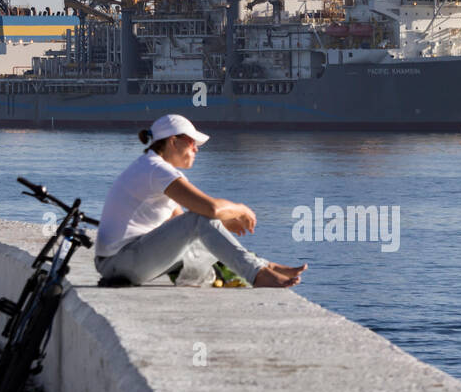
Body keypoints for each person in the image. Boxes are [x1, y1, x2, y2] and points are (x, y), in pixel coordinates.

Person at [94, 114, 306, 289]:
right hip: (120, 262)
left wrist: (220, 223)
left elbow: (185, 225)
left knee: (200, 236)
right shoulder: (157, 170)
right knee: (198, 219)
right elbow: (208, 209)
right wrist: (240, 209)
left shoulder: (151, 168)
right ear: (172, 141)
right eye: (191, 142)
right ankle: (258, 275)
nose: (196, 149)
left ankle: (264, 266)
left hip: (121, 262)